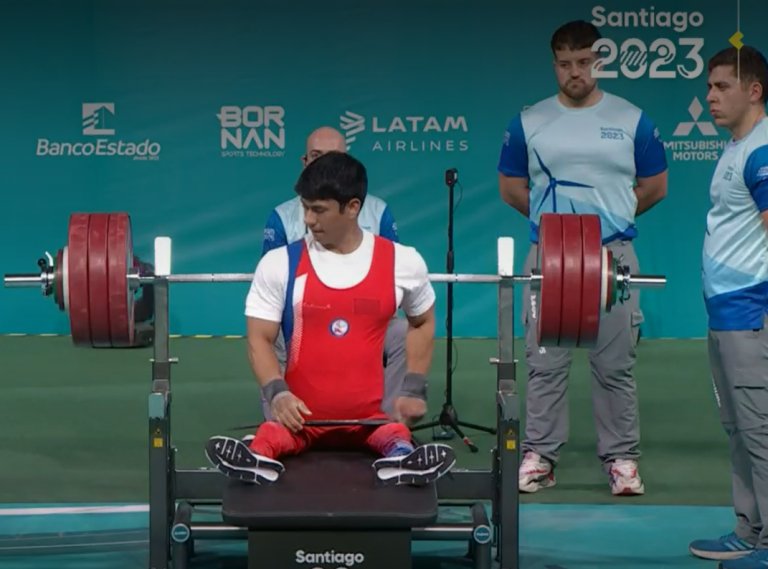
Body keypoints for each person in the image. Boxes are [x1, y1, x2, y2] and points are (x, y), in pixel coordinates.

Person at [206, 151, 456, 486]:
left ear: (353, 208)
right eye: (304, 207)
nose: (308, 219)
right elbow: (259, 338)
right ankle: (257, 458)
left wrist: (415, 388)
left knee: (392, 433)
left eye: (319, 209)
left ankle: (401, 459)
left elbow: (422, 322)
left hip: (370, 422)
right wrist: (277, 392)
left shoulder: (403, 262)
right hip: (300, 423)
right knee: (272, 433)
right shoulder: (280, 263)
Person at [496, 20, 668, 496]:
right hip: (549, 255)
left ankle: (622, 460)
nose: (576, 72)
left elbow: (655, 186)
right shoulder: (528, 122)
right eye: (566, 64)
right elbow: (510, 186)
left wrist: (605, 222)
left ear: (600, 61)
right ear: (555, 66)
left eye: (585, 62)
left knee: (615, 364)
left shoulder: (633, 119)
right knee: (545, 361)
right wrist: (562, 233)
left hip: (612, 253)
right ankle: (540, 456)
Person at [260, 126, 408, 420]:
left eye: (333, 157)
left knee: (403, 332)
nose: (324, 164)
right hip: (302, 320)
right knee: (269, 334)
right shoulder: (280, 217)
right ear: (304, 162)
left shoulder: (378, 212)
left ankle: (387, 427)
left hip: (365, 317)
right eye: (316, 156)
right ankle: (278, 425)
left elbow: (393, 280)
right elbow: (272, 292)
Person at [688, 46, 768, 569]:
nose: (709, 96)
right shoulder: (738, 147)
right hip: (725, 314)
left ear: (754, 91)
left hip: (751, 312)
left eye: (721, 87)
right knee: (739, 427)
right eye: (709, 87)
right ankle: (750, 529)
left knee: (760, 430)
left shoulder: (762, 151)